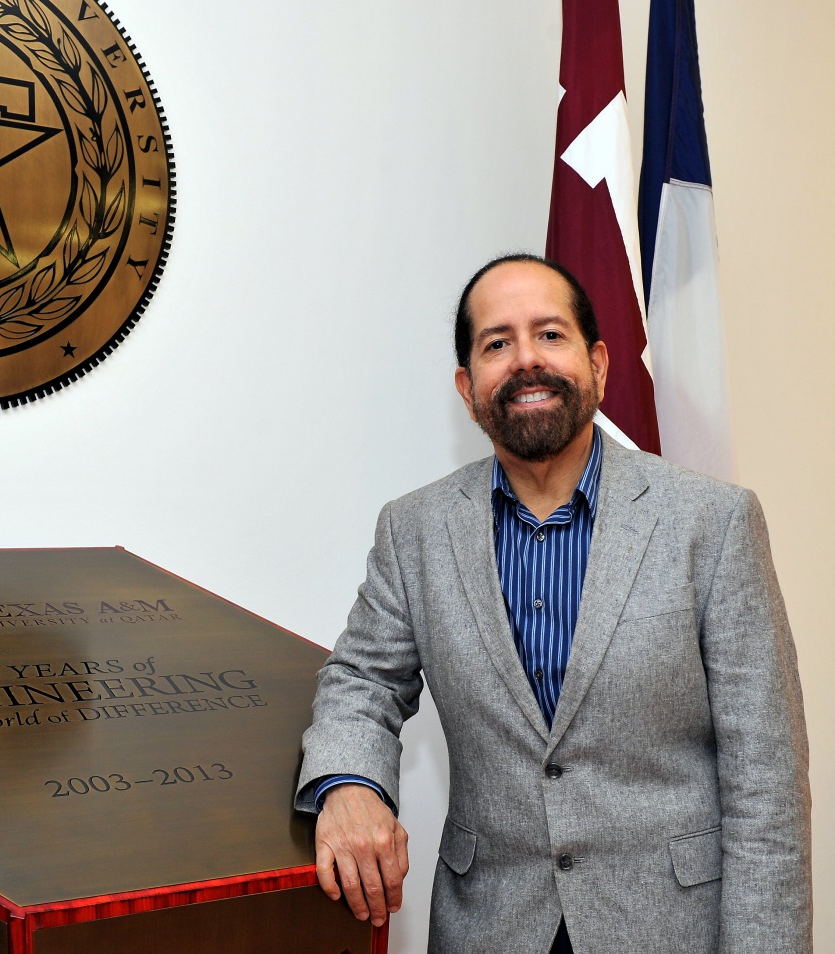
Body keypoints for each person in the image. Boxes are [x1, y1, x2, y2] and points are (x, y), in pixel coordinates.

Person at [295, 254, 811, 954]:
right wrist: (350, 785)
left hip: (671, 930)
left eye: (550, 334)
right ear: (467, 387)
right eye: (497, 343)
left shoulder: (712, 523)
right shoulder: (414, 530)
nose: (526, 360)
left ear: (598, 364)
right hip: (490, 928)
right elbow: (361, 681)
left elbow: (767, 787)